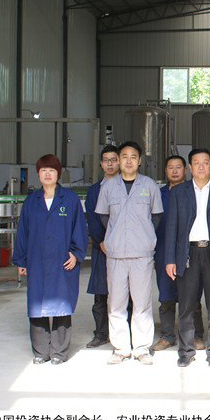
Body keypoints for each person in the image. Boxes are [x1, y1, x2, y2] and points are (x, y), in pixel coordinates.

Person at [13, 154, 88, 364]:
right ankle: (40, 351)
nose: (47, 174)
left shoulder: (70, 199)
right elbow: (23, 232)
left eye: (52, 170)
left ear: (58, 174)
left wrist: (76, 253)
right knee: (37, 304)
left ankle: (59, 351)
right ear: (38, 174)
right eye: (43, 170)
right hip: (37, 260)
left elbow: (80, 228)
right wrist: (21, 260)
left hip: (62, 261)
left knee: (62, 303)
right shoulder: (31, 202)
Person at [164, 148, 210, 367]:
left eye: (205, 162)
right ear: (190, 167)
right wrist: (170, 259)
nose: (201, 166)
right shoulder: (179, 192)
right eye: (196, 163)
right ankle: (186, 350)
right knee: (186, 305)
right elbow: (171, 227)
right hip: (188, 253)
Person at [95, 141, 163, 365]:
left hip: (142, 253)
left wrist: (143, 236)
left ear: (139, 160)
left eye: (133, 156)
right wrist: (116, 236)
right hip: (116, 254)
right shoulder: (108, 187)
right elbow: (104, 216)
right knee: (116, 303)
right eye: (124, 156)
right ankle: (121, 348)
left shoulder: (149, 185)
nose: (129, 161)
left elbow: (156, 217)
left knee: (142, 303)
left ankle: (142, 348)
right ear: (119, 160)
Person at [152, 155, 205, 352]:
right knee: (166, 294)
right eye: (170, 167)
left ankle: (196, 334)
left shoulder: (194, 191)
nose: (174, 171)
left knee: (192, 293)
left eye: (178, 167)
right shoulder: (158, 194)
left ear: (185, 169)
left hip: (190, 250)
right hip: (164, 249)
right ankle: (167, 335)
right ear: (165, 171)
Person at [85, 145, 120, 348]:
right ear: (101, 164)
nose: (110, 164)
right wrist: (101, 241)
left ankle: (126, 332)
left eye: (113, 159)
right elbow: (93, 218)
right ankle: (101, 333)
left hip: (124, 248)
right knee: (101, 293)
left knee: (126, 293)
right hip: (102, 248)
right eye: (106, 160)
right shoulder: (94, 191)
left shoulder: (128, 186)